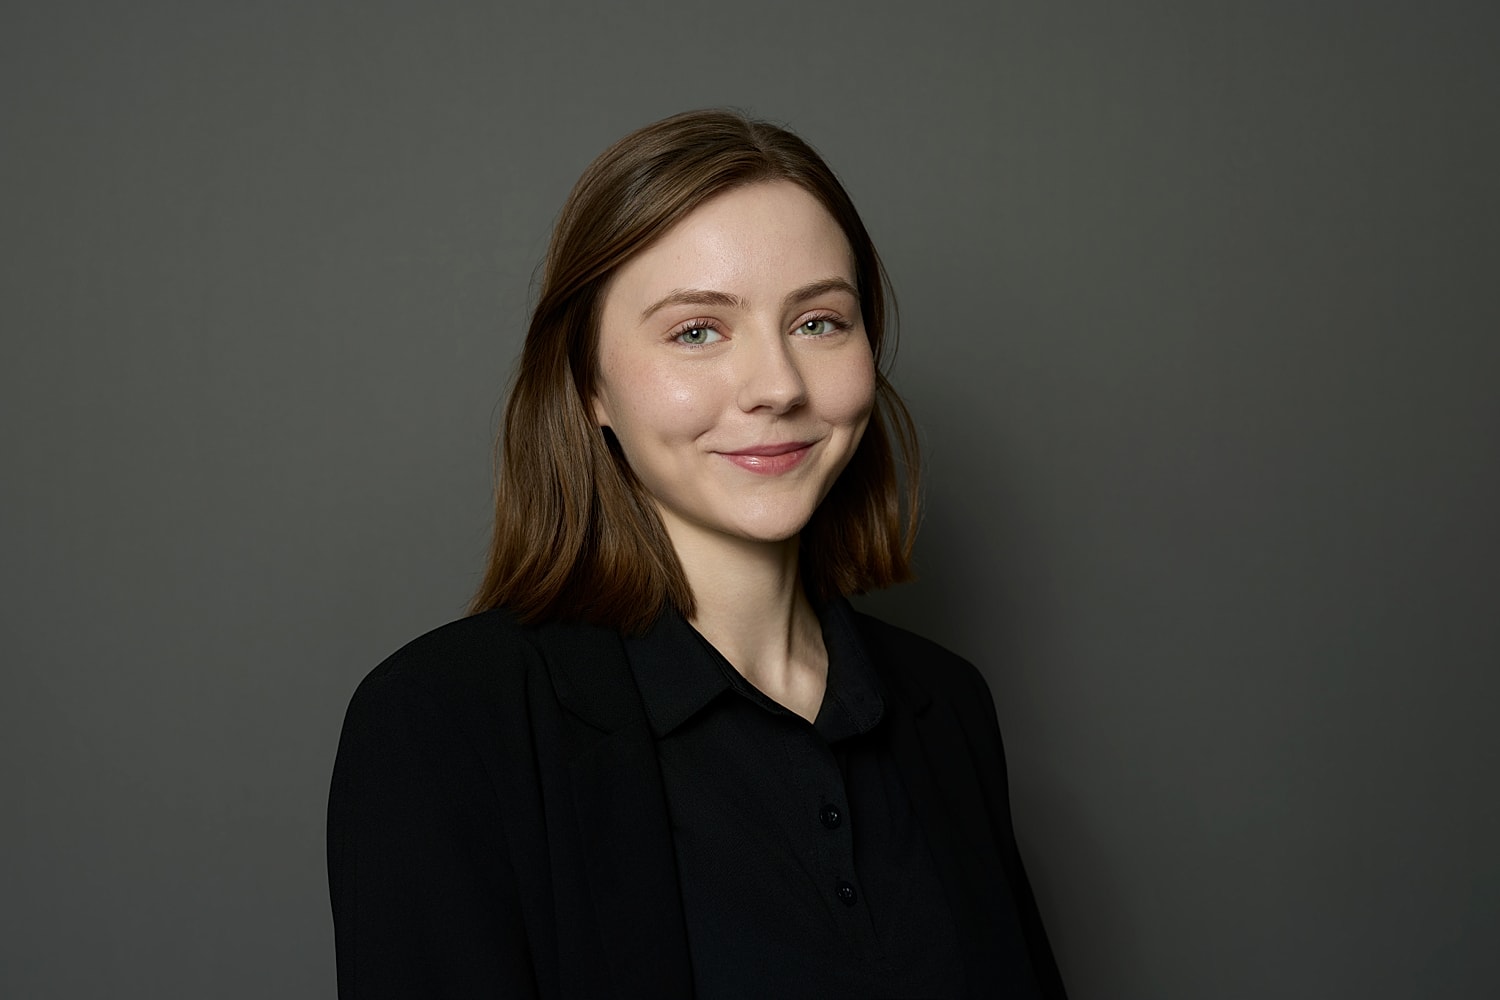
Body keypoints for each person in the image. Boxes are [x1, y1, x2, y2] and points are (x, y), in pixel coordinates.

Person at [327, 109, 1067, 1000]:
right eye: (697, 332)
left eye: (820, 322)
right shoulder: (445, 723)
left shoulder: (946, 708)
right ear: (588, 384)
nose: (777, 387)